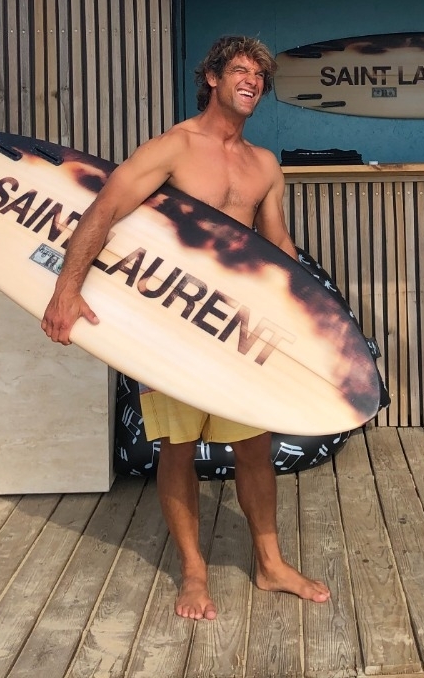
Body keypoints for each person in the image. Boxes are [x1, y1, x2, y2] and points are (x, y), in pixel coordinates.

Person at [41, 34, 331, 621]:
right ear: (213, 78)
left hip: (235, 323)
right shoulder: (173, 147)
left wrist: (304, 308)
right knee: (176, 448)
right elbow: (105, 209)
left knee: (254, 446)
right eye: (241, 70)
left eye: (260, 76)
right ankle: (194, 573)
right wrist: (67, 289)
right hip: (171, 321)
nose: (252, 82)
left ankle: (270, 564)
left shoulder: (264, 164)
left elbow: (276, 241)